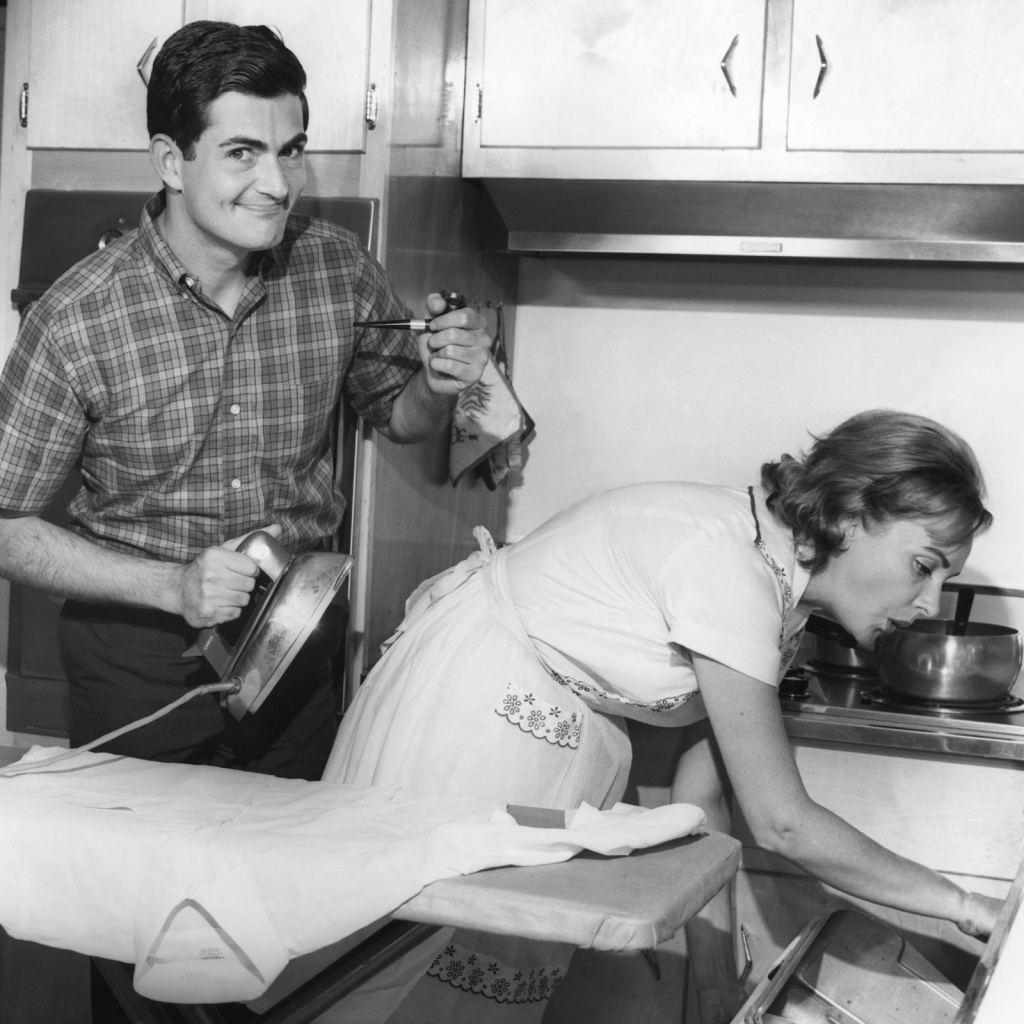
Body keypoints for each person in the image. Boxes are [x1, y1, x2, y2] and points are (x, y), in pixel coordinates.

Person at [322, 409, 1004, 1023]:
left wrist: (713, 981)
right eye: (924, 565)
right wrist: (964, 906)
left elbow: (701, 798)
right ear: (851, 515)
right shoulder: (731, 568)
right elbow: (783, 822)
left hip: (539, 737)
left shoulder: (782, 592)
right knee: (399, 974)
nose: (931, 603)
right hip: (467, 718)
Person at [0, 21, 491, 782]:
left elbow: (398, 416)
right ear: (172, 160)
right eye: (242, 153)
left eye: (290, 150)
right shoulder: (76, 317)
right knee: (147, 857)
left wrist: (436, 384)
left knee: (290, 851)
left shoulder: (337, 267)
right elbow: (5, 528)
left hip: (296, 643)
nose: (278, 184)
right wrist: (173, 586)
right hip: (137, 656)